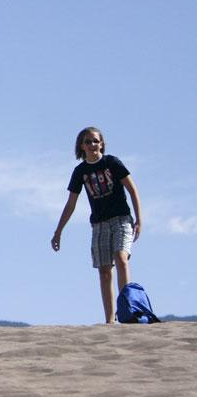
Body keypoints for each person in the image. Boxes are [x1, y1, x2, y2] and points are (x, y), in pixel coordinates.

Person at [51, 126, 142, 324]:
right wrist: (58, 231)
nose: (92, 144)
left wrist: (139, 219)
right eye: (87, 141)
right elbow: (71, 204)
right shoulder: (80, 171)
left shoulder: (112, 163)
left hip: (121, 219)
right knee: (103, 270)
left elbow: (132, 190)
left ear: (101, 143)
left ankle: (127, 310)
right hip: (99, 224)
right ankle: (110, 319)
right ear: (81, 147)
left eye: (95, 141)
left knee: (121, 258)